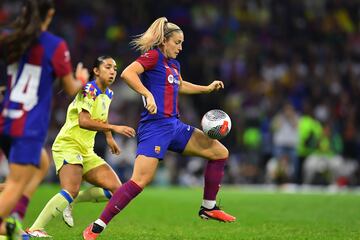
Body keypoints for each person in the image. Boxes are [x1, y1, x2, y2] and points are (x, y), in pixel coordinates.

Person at [83, 17, 236, 240]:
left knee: (220, 152)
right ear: (164, 41)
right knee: (139, 182)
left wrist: (206, 89)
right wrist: (147, 94)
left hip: (174, 125)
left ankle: (208, 207)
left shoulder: (174, 64)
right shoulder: (153, 56)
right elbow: (127, 73)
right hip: (154, 127)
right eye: (177, 42)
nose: (181, 47)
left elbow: (180, 85)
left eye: (182, 43)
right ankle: (97, 226)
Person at [0, 0, 89, 238]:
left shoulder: (9, 38)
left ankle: (14, 219)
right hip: (26, 125)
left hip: (6, 118)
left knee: (41, 163)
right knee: (17, 182)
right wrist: (81, 78)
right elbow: (70, 88)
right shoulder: (54, 45)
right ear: (49, 14)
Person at [26, 55, 136, 237]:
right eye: (108, 67)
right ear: (96, 71)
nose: (112, 71)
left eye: (115, 69)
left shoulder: (108, 93)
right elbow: (84, 121)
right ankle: (35, 228)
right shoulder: (89, 89)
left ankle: (71, 202)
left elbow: (101, 116)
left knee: (116, 189)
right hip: (68, 145)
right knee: (71, 189)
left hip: (86, 150)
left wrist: (109, 137)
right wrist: (114, 128)